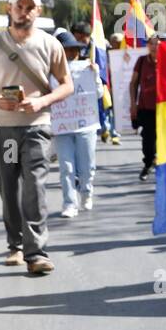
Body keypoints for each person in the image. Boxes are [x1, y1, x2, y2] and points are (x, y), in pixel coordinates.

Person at [0, 0, 74, 274]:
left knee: (35, 187)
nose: (23, 12)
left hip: (36, 128)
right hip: (4, 129)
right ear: (9, 10)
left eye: (29, 7)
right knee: (10, 188)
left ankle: (36, 253)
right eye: (18, 7)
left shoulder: (51, 45)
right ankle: (16, 245)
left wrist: (43, 101)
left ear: (38, 11)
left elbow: (66, 84)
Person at [51, 29, 102, 218]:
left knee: (86, 165)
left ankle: (86, 192)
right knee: (66, 167)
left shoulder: (87, 69)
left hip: (85, 125)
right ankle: (69, 203)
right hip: (63, 127)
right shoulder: (49, 74)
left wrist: (95, 76)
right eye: (66, 50)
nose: (71, 54)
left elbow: (98, 95)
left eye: (73, 50)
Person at [73, 21, 120, 146]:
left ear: (88, 36)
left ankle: (109, 131)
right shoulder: (71, 48)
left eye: (82, 39)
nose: (80, 42)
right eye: (76, 38)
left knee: (104, 110)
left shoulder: (97, 49)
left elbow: (103, 69)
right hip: (77, 90)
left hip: (96, 86)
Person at [130, 34, 159, 180]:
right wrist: (133, 104)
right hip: (145, 108)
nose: (154, 47)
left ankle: (161, 165)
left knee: (163, 139)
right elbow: (133, 83)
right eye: (152, 44)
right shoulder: (141, 61)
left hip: (165, 108)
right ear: (147, 46)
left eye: (157, 44)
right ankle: (148, 164)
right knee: (148, 140)